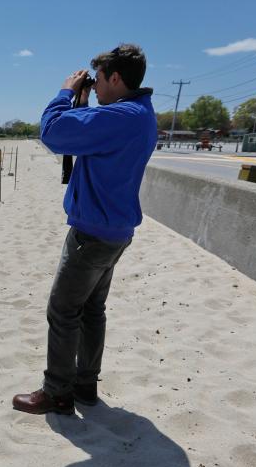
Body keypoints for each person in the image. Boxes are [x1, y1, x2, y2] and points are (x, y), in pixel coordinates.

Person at [12, 43, 158, 415]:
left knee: (62, 311)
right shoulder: (139, 113)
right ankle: (85, 385)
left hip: (92, 234)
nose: (96, 88)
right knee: (92, 309)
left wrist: (65, 92)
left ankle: (57, 392)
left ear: (115, 77)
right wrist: (84, 102)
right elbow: (88, 135)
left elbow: (56, 133)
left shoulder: (120, 117)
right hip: (115, 230)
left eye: (100, 81)